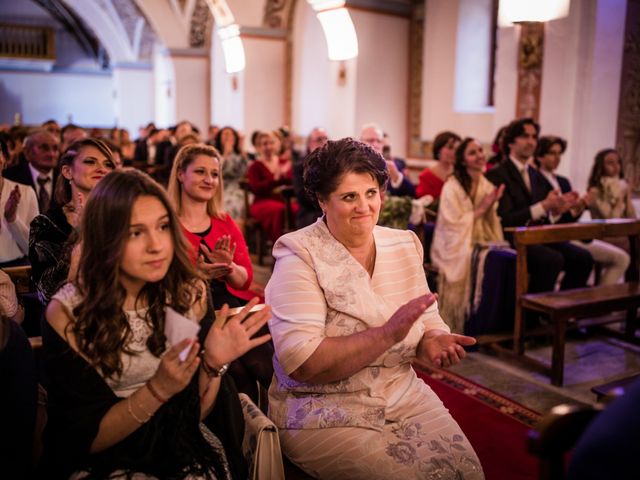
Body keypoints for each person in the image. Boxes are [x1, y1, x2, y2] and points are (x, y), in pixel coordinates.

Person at [266, 138, 483, 479]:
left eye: (371, 192)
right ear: (322, 200)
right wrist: (386, 335)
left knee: (466, 472)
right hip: (322, 411)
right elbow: (301, 362)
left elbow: (425, 315)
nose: (364, 206)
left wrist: (433, 338)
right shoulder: (299, 255)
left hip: (401, 394)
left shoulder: (402, 244)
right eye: (349, 196)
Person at [40, 169, 272, 479]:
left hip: (178, 445)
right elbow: (82, 439)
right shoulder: (68, 313)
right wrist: (158, 389)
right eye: (136, 232)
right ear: (105, 236)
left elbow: (194, 416)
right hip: (103, 459)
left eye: (163, 227)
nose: (156, 245)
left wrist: (212, 366)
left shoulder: (187, 293)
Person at [485, 118, 593, 296]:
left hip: (537, 235)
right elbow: (504, 219)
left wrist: (559, 209)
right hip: (512, 237)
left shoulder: (535, 175)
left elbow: (547, 216)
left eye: (534, 137)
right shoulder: (497, 174)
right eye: (525, 136)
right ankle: (534, 317)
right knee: (552, 260)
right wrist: (543, 206)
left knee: (583, 258)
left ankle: (563, 310)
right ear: (511, 141)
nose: (531, 141)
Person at [430, 138, 505, 333]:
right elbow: (451, 225)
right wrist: (483, 208)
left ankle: (490, 326)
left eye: (480, 150)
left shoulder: (486, 185)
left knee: (502, 258)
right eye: (473, 152)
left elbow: (491, 220)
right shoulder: (452, 187)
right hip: (453, 246)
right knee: (490, 261)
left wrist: (491, 205)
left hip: (480, 238)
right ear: (463, 161)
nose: (480, 155)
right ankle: (469, 325)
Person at [29, 138, 115, 304]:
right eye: (90, 162)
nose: (102, 169)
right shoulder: (45, 224)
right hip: (68, 315)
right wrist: (81, 232)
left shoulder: (123, 218)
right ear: (67, 171)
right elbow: (47, 294)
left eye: (108, 164)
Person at [167, 143, 254, 309]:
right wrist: (196, 276)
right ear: (180, 174)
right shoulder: (166, 223)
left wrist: (230, 267)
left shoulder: (224, 221)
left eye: (214, 174)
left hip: (226, 305)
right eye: (200, 172)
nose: (209, 180)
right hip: (183, 308)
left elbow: (245, 281)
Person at [536, 137, 629, 285]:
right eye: (552, 153)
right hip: (553, 237)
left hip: (569, 233)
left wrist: (578, 208)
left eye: (559, 154)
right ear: (540, 156)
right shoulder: (536, 179)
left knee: (620, 256)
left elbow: (568, 219)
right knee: (582, 259)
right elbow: (547, 217)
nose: (557, 158)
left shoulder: (563, 181)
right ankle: (581, 302)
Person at [247, 130, 298, 242]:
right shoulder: (255, 166)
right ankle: (279, 245)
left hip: (285, 200)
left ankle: (297, 246)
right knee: (279, 211)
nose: (268, 146)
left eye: (271, 143)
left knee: (297, 210)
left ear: (277, 145)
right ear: (259, 147)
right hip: (262, 202)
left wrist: (285, 176)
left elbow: (293, 183)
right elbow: (256, 188)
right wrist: (275, 179)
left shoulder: (285, 162)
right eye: (265, 144)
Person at [0, 136, 38, 267]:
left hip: (17, 270)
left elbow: (35, 249)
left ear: (4, 160)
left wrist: (12, 219)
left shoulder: (26, 192)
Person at [2, 129, 60, 213]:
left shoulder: (66, 178)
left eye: (55, 149)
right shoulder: (9, 176)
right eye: (44, 148)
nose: (51, 154)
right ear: (26, 152)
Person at [360, 123, 416, 198]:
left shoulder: (394, 165)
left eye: (379, 141)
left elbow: (412, 194)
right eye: (370, 140)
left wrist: (397, 177)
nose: (375, 144)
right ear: (360, 142)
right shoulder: (350, 165)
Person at [293, 127, 329, 228]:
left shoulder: (335, 164)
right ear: (309, 144)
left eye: (325, 138)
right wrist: (327, 203)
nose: (323, 142)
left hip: (331, 208)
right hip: (311, 211)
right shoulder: (300, 166)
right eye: (319, 139)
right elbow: (303, 197)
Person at [587, 148, 636, 220]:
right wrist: (621, 197)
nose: (616, 166)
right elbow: (611, 220)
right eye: (610, 163)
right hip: (603, 230)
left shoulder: (621, 186)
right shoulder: (594, 191)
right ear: (601, 167)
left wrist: (627, 195)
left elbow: (632, 218)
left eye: (618, 162)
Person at [213, 126, 248, 221]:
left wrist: (242, 151)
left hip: (237, 188)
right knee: (222, 206)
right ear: (220, 138)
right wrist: (225, 154)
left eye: (231, 134)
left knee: (237, 204)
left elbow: (246, 172)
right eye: (226, 134)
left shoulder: (239, 155)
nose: (229, 137)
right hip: (220, 188)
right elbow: (216, 172)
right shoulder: (214, 155)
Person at [416, 131, 461, 200]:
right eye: (450, 148)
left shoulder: (461, 173)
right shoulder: (427, 176)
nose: (454, 152)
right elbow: (422, 202)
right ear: (438, 149)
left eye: (457, 149)